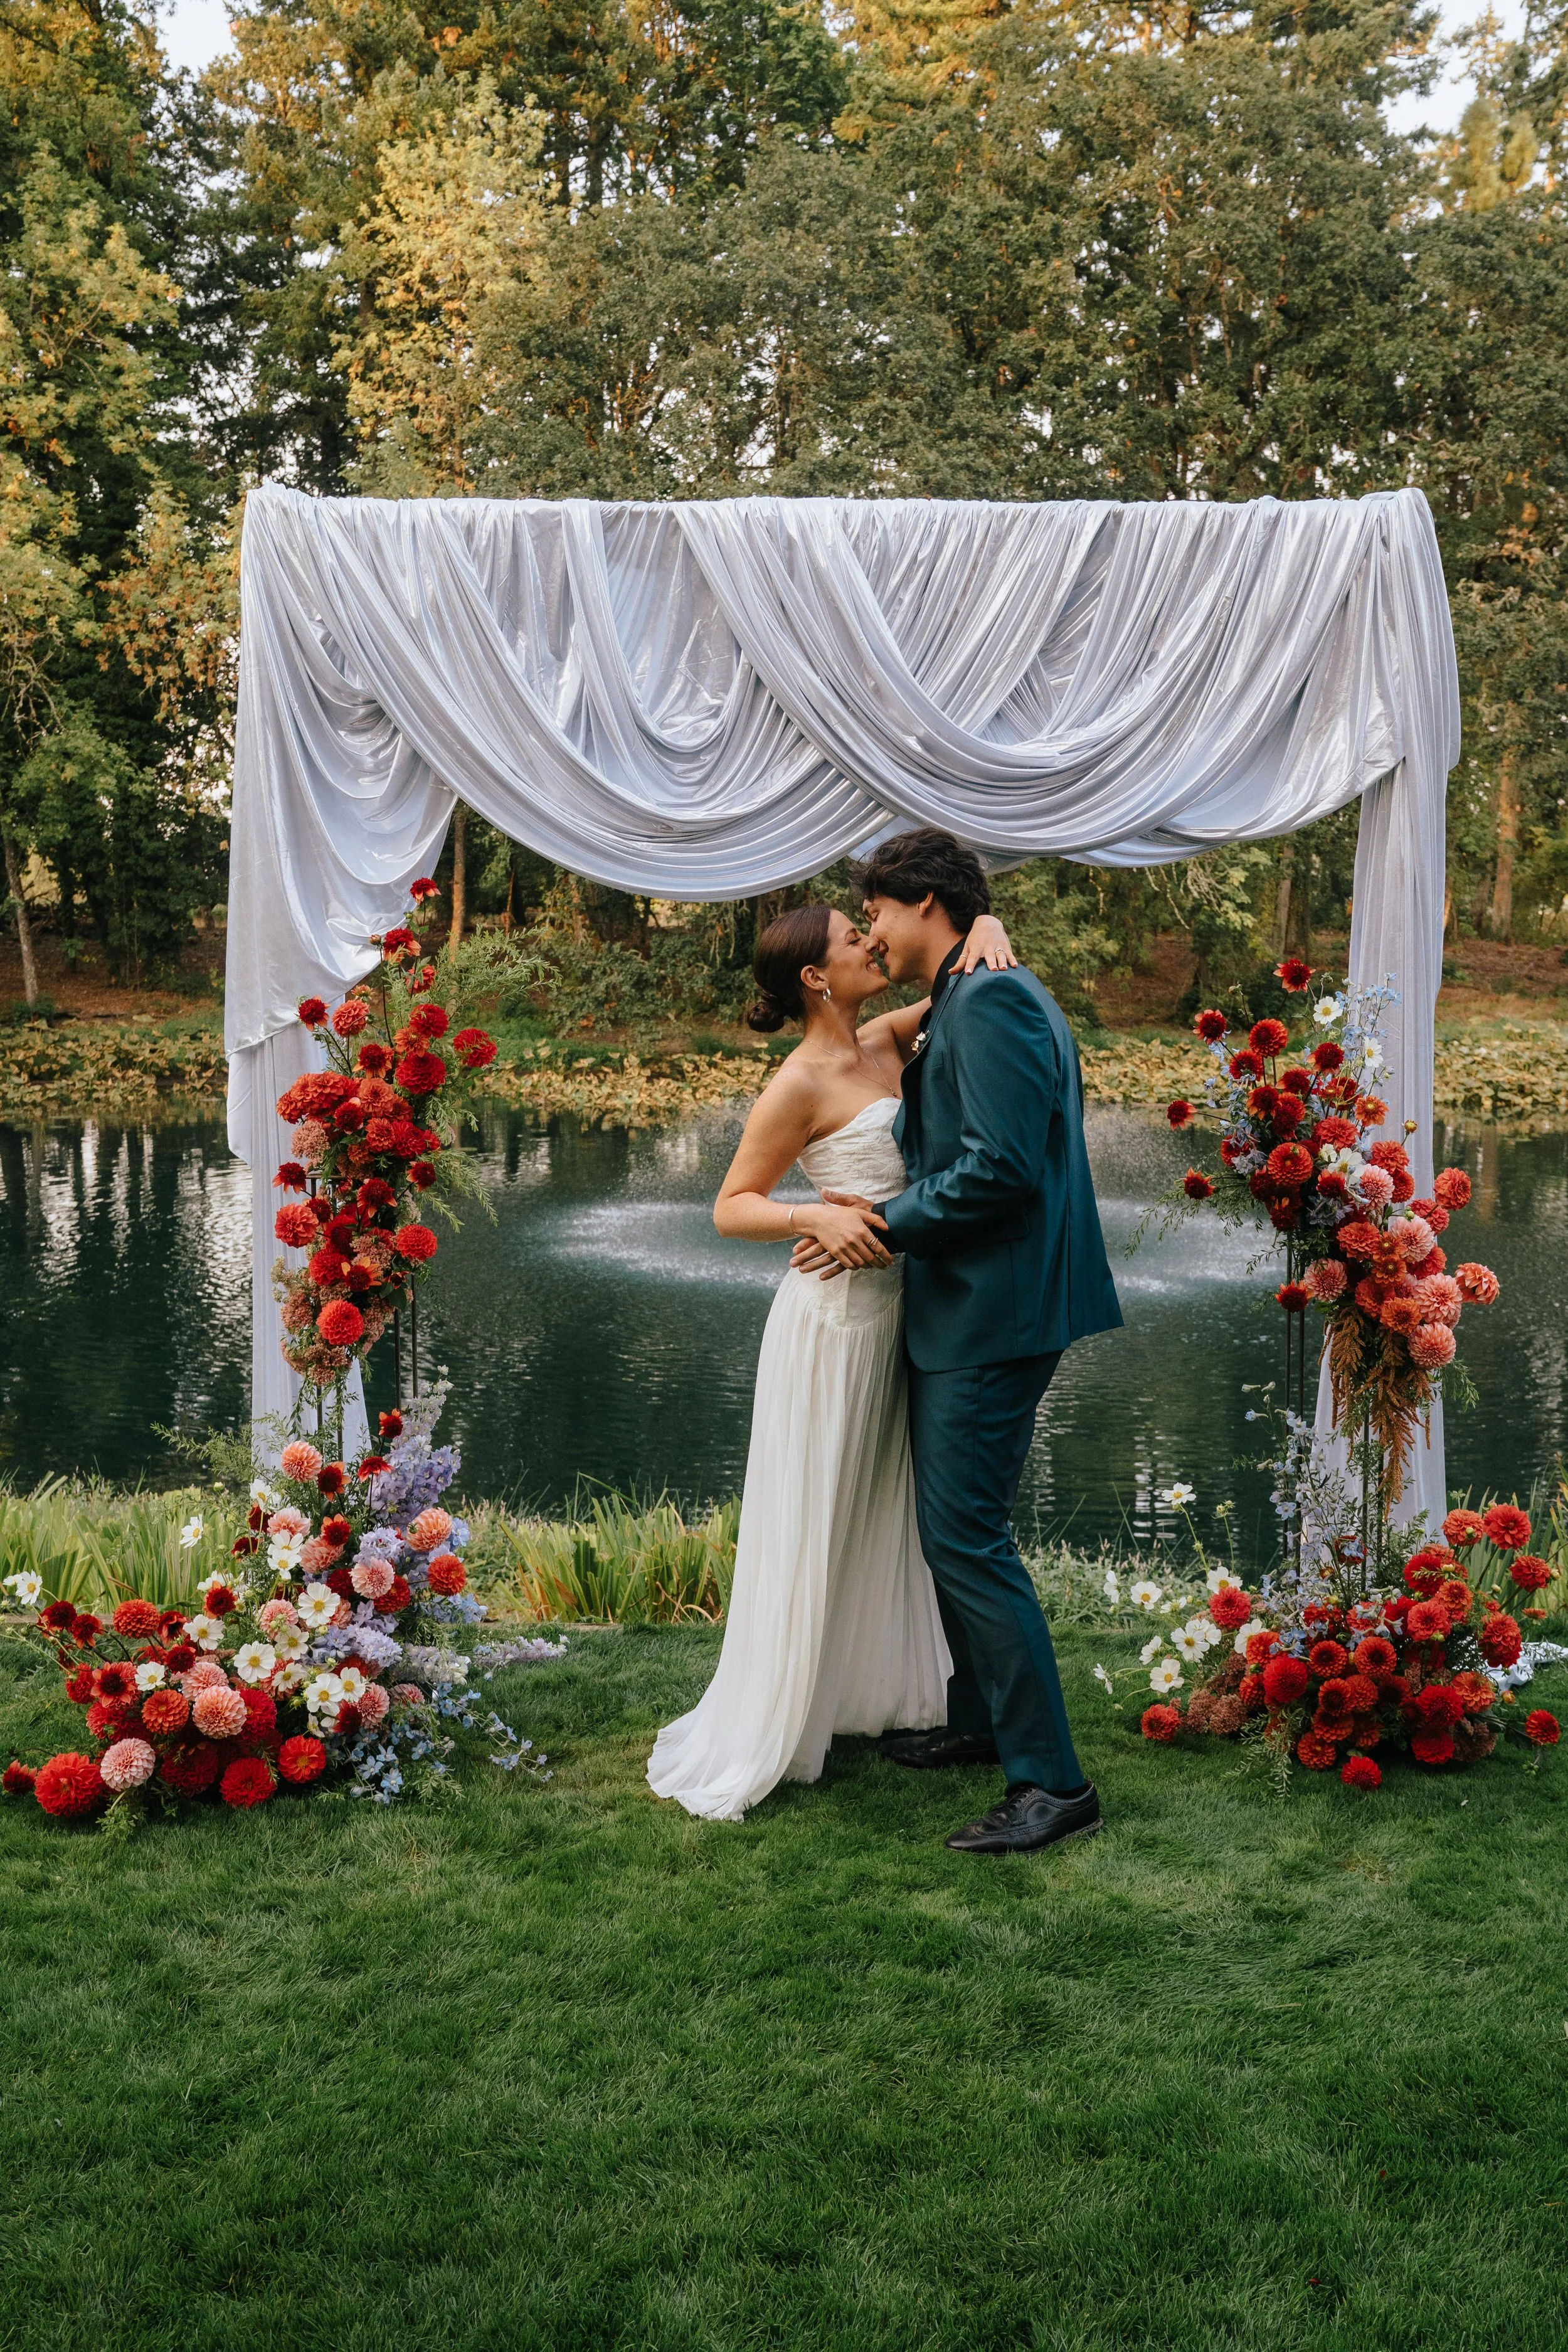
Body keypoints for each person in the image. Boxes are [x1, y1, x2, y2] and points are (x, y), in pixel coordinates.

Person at [645, 894, 1016, 1822]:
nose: (873, 941)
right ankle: (779, 1714)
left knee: (885, 1509)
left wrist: (989, 927)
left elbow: (958, 971)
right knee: (816, 1509)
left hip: (901, 1319)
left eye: (869, 928)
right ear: (816, 975)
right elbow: (732, 1204)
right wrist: (812, 1213)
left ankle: (862, 1691)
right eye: (857, 939)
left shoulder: (886, 1040)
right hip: (832, 1325)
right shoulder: (801, 1081)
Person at [790, 828, 1123, 1853]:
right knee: (954, 1533)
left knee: (969, 1538)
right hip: (975, 1305)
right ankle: (981, 1719)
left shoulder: (997, 1000)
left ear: (926, 902)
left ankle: (1053, 1785)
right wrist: (986, 920)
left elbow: (1002, 1170)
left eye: (879, 911)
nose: (874, 931)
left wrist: (880, 1228)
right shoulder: (971, 988)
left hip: (996, 1309)